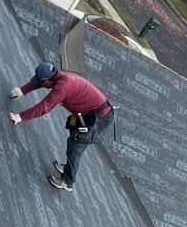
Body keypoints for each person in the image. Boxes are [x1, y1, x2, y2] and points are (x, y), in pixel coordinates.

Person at [8, 62, 115, 191]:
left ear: (48, 80)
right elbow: (39, 83)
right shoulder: (57, 76)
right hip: (85, 112)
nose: (40, 84)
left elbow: (44, 107)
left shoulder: (63, 86)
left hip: (100, 117)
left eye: (42, 82)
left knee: (77, 142)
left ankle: (67, 181)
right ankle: (68, 166)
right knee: (72, 130)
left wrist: (20, 117)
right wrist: (21, 91)